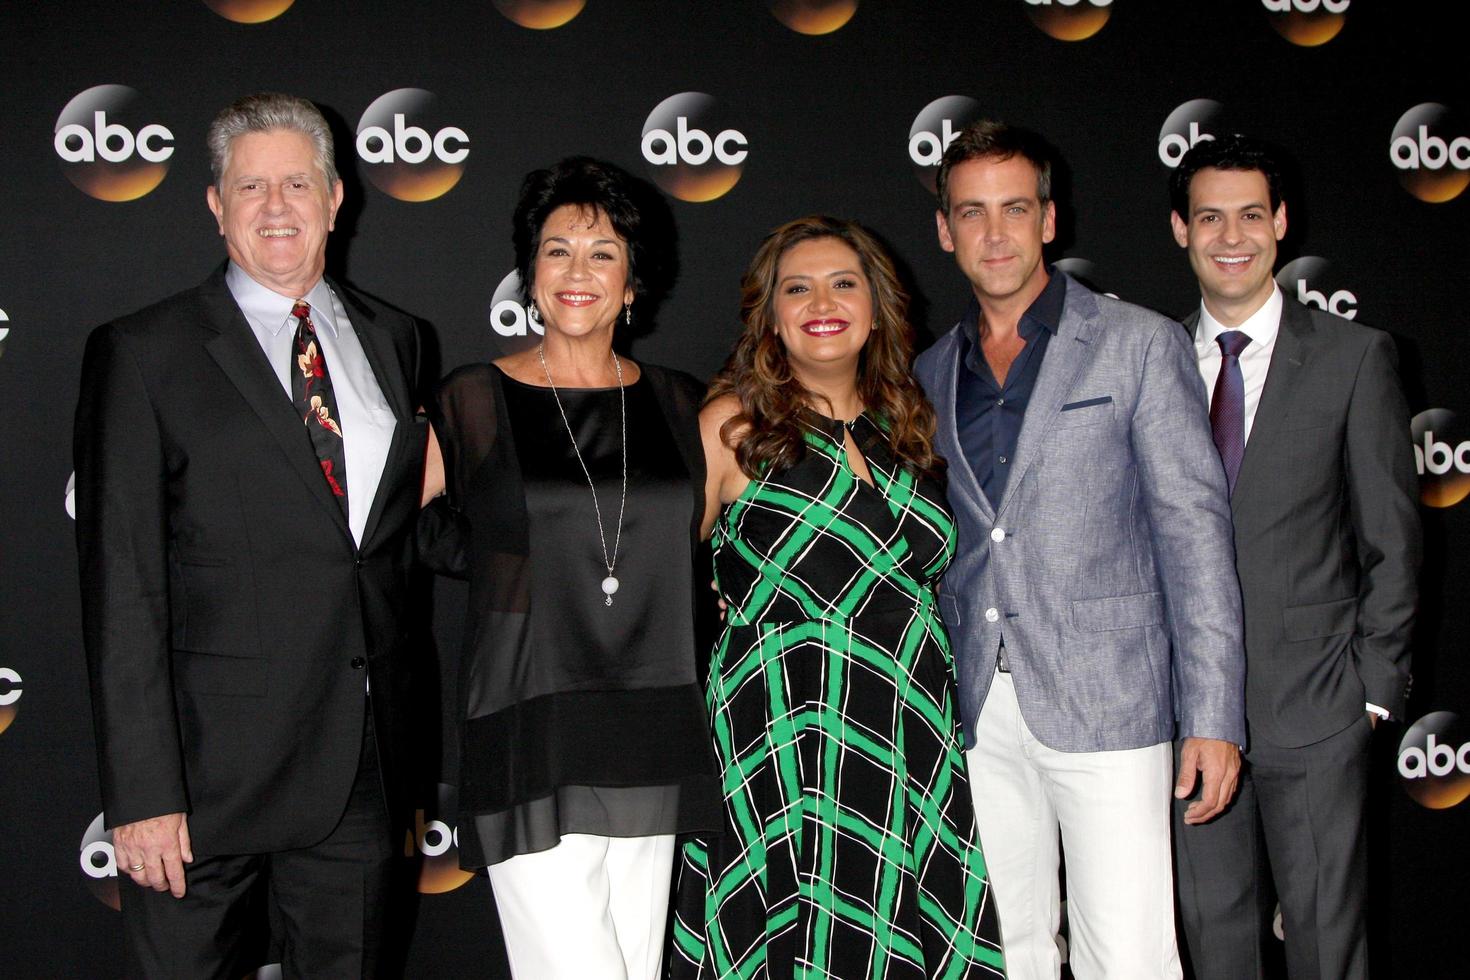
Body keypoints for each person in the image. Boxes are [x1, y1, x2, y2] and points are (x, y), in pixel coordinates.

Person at [73, 93, 426, 977]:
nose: (277, 207)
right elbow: (123, 582)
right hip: (201, 783)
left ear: (336, 198)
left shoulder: (397, 339)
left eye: (297, 183)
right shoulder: (144, 350)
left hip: (360, 766)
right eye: (250, 186)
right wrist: (145, 792)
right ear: (215, 205)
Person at [912, 120, 1246, 980]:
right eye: (972, 212)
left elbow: (1195, 535)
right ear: (945, 230)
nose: (995, 233)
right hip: (975, 705)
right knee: (1007, 947)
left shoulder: (1138, 343)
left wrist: (1211, 716)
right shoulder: (925, 373)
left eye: (1015, 208)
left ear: (1049, 220)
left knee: (1128, 954)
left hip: (1111, 701)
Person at [672, 215, 1007, 979]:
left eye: (843, 282)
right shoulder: (732, 424)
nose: (822, 301)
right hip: (782, 729)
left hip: (907, 726)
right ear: (771, 316)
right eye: (798, 287)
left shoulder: (911, 419)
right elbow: (654, 577)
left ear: (876, 303)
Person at [419, 156, 721, 980]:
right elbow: (381, 527)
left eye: (602, 252)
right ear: (529, 273)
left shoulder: (684, 403)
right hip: (530, 724)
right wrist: (494, 559)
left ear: (634, 284)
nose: (577, 273)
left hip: (653, 726)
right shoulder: (475, 399)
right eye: (557, 251)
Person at [1168, 135, 1420, 980]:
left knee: (1326, 949)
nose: (1230, 236)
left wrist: (1373, 697)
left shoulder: (1355, 359)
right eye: (1210, 217)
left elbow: (1393, 536)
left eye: (1249, 215)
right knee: (1215, 947)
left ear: (1280, 223)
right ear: (1180, 229)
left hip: (1318, 712)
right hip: (1181, 720)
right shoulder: (1147, 363)